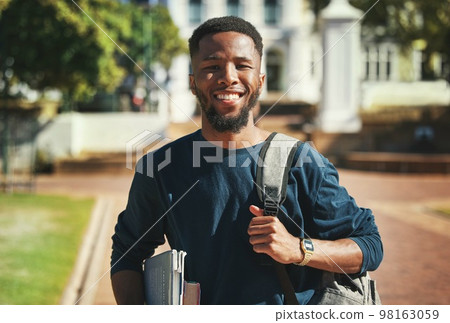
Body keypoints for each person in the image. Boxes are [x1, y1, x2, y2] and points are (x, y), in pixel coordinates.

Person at [111, 16, 383, 305]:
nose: (228, 77)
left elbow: (369, 246)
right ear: (193, 82)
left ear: (260, 81)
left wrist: (298, 249)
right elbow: (127, 255)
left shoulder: (302, 161)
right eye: (212, 66)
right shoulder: (161, 168)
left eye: (242, 65)